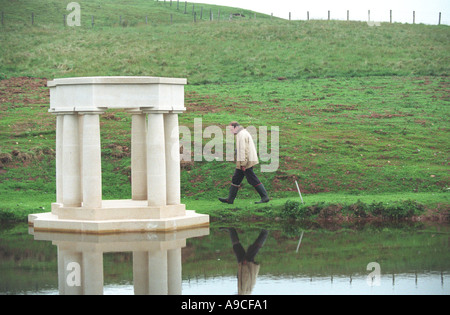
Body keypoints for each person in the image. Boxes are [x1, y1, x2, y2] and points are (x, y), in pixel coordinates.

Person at [219, 121, 270, 204]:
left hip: (246, 161)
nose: (231, 132)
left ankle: (265, 197)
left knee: (251, 178)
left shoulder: (241, 135)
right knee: (236, 179)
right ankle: (230, 199)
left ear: (236, 128)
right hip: (245, 160)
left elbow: (244, 150)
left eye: (231, 129)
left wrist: (243, 164)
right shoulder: (241, 133)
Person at [221, 227, 269, 295]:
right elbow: (245, 277)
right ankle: (265, 232)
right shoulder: (242, 292)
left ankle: (232, 230)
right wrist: (245, 265)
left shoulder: (246, 293)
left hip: (246, 266)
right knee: (253, 248)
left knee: (237, 248)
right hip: (247, 265)